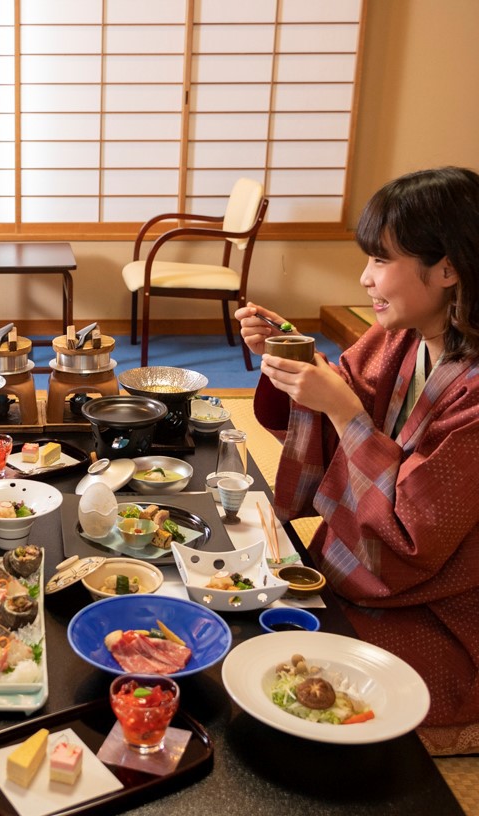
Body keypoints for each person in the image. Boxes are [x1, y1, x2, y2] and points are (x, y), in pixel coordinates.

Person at [235, 166, 479, 755]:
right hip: (360, 562)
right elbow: (338, 391)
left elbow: (417, 534)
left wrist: (346, 414)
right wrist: (289, 361)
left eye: (380, 260)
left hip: (438, 596)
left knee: (329, 688)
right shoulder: (401, 334)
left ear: (447, 269)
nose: (364, 278)